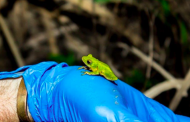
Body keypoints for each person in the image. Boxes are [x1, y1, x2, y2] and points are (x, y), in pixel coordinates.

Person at [0, 61, 189, 122]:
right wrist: (41, 93)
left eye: (88, 61)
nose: (85, 61)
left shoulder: (96, 69)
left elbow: (101, 71)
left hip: (105, 75)